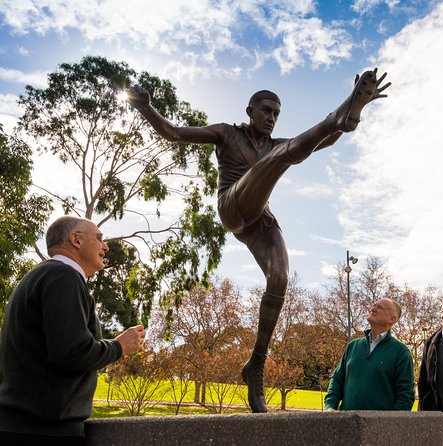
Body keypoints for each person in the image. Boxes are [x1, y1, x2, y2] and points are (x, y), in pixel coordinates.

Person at [127, 69, 389, 413]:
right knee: (283, 156)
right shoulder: (226, 133)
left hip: (260, 221)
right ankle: (341, 112)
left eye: (277, 113)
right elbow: (174, 133)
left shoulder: (278, 145)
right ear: (249, 110)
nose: (272, 118)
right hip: (233, 205)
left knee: (279, 278)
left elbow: (321, 142)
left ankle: (255, 366)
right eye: (266, 110)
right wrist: (146, 107)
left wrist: (356, 109)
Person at [0, 216, 146, 445]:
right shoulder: (63, 277)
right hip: (43, 433)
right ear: (76, 240)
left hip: (24, 428)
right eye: (99, 238)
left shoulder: (41, 276)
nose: (105, 246)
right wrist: (119, 346)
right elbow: (71, 353)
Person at [324, 298, 414, 410]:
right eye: (374, 305)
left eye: (380, 307)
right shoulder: (353, 346)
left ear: (392, 319)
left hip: (380, 426)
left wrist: (393, 425)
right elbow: (337, 380)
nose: (373, 308)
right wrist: (330, 406)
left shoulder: (401, 352)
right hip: (346, 422)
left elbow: (406, 395)